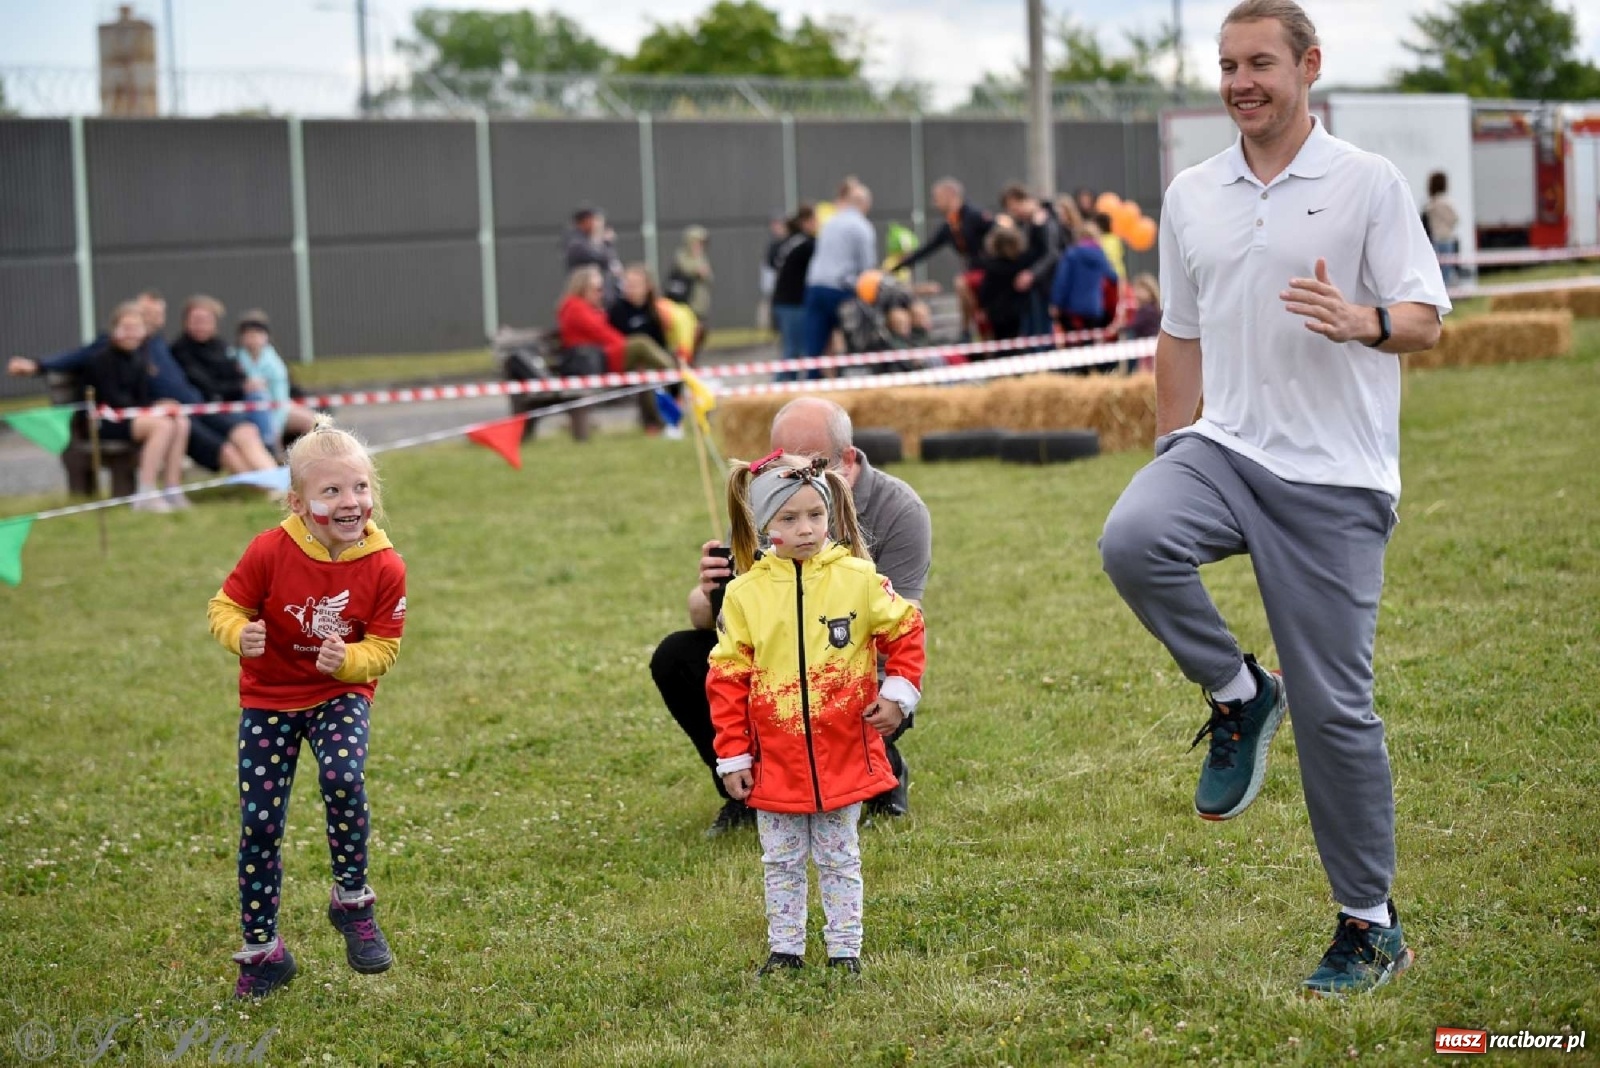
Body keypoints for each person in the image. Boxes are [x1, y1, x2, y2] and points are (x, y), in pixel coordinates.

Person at [1098, 0, 1450, 998]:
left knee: (1338, 711)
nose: (1240, 81)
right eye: (1226, 65)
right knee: (1132, 537)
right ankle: (1240, 695)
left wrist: (1360, 318)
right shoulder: (1192, 192)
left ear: (1308, 67)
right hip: (1224, 449)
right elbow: (1179, 332)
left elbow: (1425, 319)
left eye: (1259, 62)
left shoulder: (1366, 184)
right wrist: (1171, 449)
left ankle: (1369, 925)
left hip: (1335, 478)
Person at [650, 397, 932, 835]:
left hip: (851, 670)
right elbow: (712, 624)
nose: (792, 471)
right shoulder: (764, 500)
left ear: (848, 460)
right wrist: (710, 592)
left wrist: (892, 695)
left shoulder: (900, 509)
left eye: (812, 462)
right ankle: (745, 789)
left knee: (827, 703)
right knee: (676, 655)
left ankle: (879, 773)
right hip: (771, 665)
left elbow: (904, 621)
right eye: (780, 459)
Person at [206, 418, 408, 999]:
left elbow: (384, 649)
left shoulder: (385, 565)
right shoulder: (270, 549)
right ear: (297, 502)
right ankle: (264, 950)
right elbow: (225, 605)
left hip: (338, 695)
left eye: (361, 488)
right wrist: (237, 632)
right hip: (269, 699)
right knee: (261, 823)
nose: (351, 502)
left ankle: (352, 902)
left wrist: (347, 661)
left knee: (344, 778)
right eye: (332, 492)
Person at [709, 452, 926, 975]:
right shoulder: (743, 595)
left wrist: (897, 694)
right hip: (776, 760)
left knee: (839, 856)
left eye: (815, 515)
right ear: (763, 525)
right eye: (788, 519)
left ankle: (844, 949)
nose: (805, 529)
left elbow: (907, 630)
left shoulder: (861, 580)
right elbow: (727, 679)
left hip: (842, 754)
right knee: (780, 861)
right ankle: (786, 949)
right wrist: (733, 755)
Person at [8, 290, 278, 477]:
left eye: (158, 315)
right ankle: (264, 489)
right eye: (147, 314)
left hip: (199, 405)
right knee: (225, 449)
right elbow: (78, 355)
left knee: (245, 431)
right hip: (172, 414)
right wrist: (37, 365)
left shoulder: (159, 342)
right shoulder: (124, 342)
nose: (153, 320)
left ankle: (277, 482)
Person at [81, 302, 191, 512]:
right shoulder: (100, 359)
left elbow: (141, 399)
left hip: (133, 418)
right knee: (162, 426)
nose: (131, 334)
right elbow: (114, 401)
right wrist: (151, 410)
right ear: (115, 330)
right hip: (104, 423)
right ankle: (146, 492)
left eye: (136, 328)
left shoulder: (138, 360)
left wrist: (158, 405)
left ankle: (172, 488)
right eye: (126, 328)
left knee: (180, 420)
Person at [556, 265, 675, 432]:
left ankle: (657, 423)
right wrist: (624, 344)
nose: (601, 293)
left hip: (599, 357)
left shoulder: (587, 308)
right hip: (592, 362)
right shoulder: (576, 308)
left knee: (647, 371)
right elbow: (603, 333)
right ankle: (678, 373)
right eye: (597, 289)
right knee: (640, 344)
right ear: (583, 288)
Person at [888, 178, 994, 339]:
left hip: (990, 273)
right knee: (966, 290)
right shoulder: (950, 225)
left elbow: (998, 233)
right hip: (974, 273)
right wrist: (898, 266)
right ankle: (968, 331)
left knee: (962, 284)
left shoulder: (975, 216)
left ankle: (968, 328)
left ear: (950, 195)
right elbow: (927, 248)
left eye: (937, 198)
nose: (935, 203)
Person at [803, 179, 877, 359]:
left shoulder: (829, 223)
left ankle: (813, 381)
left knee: (815, 348)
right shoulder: (862, 227)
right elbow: (868, 270)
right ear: (865, 204)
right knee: (851, 341)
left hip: (815, 287)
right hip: (841, 290)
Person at [234, 309, 317, 455]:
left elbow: (280, 400)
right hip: (247, 411)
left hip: (277, 410)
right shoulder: (233, 360)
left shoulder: (275, 365)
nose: (253, 338)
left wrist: (275, 427)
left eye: (257, 333)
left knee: (312, 422)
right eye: (248, 334)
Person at [1000, 184, 1065, 341]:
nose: (1015, 214)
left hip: (1045, 284)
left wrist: (1031, 274)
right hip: (1034, 284)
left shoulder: (1045, 221)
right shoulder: (1027, 224)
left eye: (1014, 208)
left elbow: (1052, 253)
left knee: (1042, 328)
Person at [1049, 201, 1120, 337]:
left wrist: (1056, 303)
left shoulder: (1071, 254)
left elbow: (1062, 281)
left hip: (1072, 309)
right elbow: (1113, 277)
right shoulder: (1100, 255)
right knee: (1090, 349)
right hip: (1094, 308)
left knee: (1074, 348)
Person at [771, 205, 819, 381]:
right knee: (793, 350)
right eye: (815, 220)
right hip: (792, 302)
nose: (818, 224)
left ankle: (783, 386)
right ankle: (780, 388)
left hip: (784, 301)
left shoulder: (791, 241)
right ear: (805, 222)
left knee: (792, 349)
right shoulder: (806, 244)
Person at [975, 223, 1032, 344]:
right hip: (1017, 310)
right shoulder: (1022, 264)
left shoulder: (992, 266)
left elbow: (985, 290)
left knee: (1000, 341)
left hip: (996, 312)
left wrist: (982, 307)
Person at [563, 205, 622, 304]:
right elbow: (603, 259)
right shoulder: (576, 243)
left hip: (602, 295)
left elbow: (613, 266)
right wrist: (604, 242)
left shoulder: (589, 241)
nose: (598, 224)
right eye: (595, 220)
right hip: (586, 296)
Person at [1424, 171, 1461, 285]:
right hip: (1446, 238)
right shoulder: (1445, 202)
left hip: (1435, 238)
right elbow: (1454, 218)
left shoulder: (1430, 204)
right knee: (1446, 269)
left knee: (1437, 269)